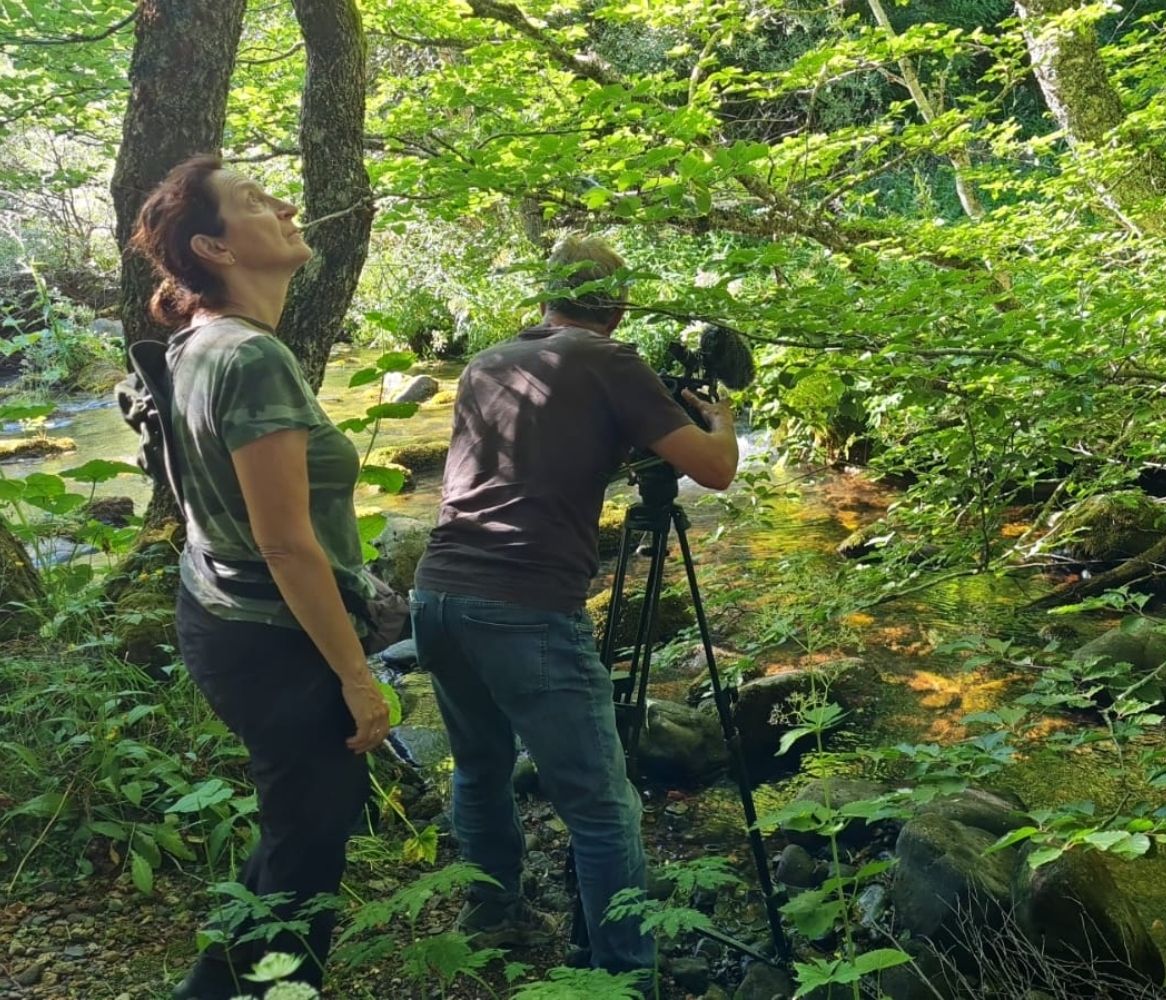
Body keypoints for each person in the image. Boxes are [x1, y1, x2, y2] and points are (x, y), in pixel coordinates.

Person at [411, 234, 740, 973]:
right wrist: (724, 424)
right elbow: (714, 471)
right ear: (618, 307)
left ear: (546, 298)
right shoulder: (611, 362)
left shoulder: (487, 363)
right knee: (600, 805)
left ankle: (492, 907)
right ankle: (625, 974)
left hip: (437, 593)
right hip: (525, 605)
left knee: (479, 765)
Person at [128, 155, 389, 999]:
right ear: (215, 247)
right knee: (307, 850)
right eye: (253, 202)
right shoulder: (252, 359)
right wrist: (358, 679)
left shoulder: (198, 345)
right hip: (274, 637)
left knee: (298, 831)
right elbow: (286, 544)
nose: (283, 205)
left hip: (221, 614)